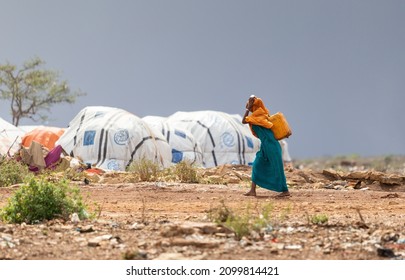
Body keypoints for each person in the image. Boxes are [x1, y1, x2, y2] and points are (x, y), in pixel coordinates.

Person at [242, 95, 290, 197]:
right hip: (265, 145)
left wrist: (247, 108)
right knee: (257, 165)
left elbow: (244, 121)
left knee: (277, 168)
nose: (249, 109)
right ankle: (252, 190)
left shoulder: (258, 117)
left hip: (271, 145)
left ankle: (285, 191)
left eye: (250, 107)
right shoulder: (260, 115)